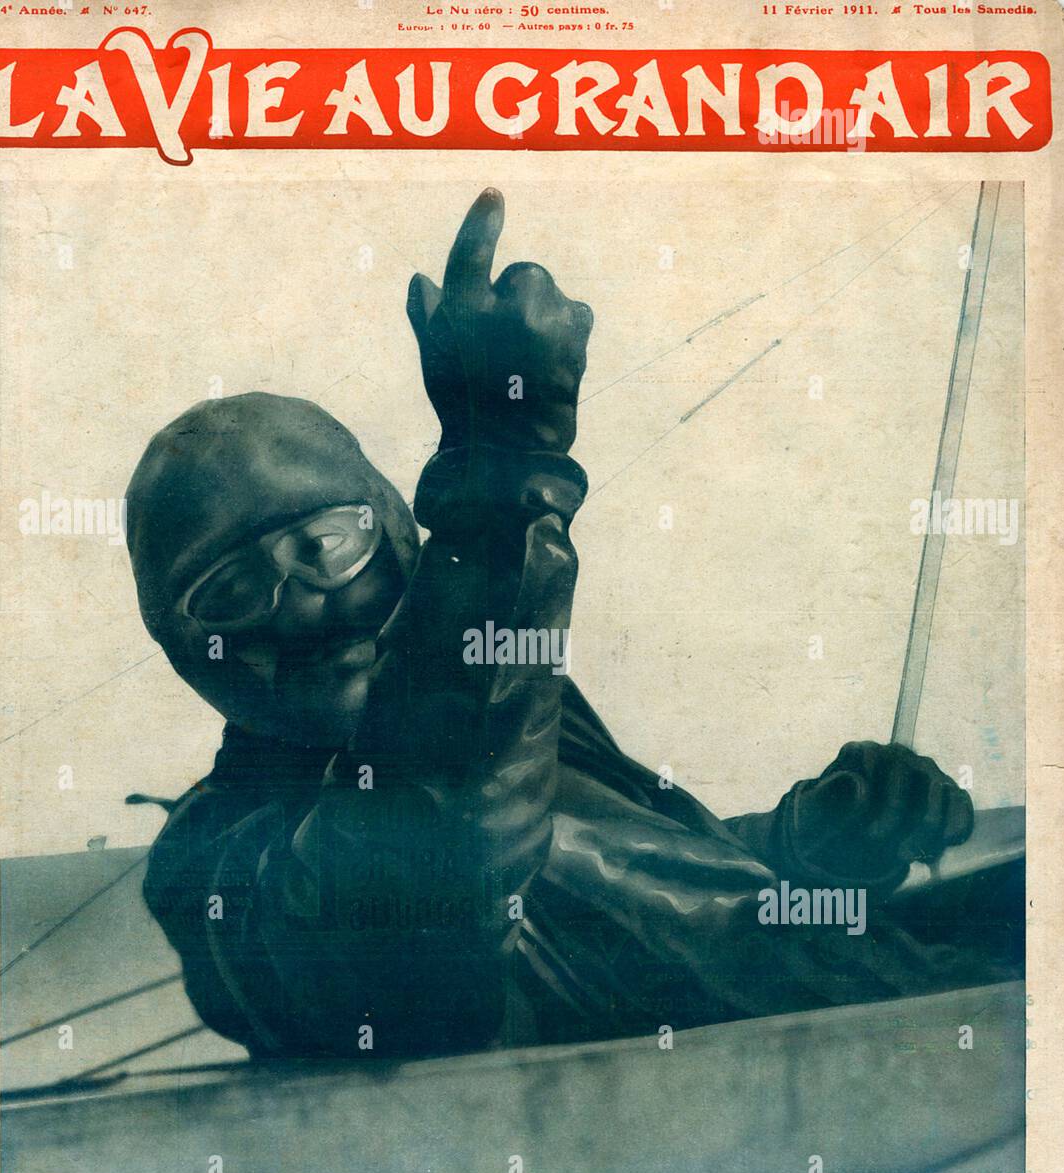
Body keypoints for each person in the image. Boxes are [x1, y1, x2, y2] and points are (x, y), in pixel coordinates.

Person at [127, 189, 1016, 1059]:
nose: (302, 604)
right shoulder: (213, 868)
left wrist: (801, 851)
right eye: (230, 591)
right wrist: (497, 489)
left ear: (396, 533)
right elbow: (435, 875)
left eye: (325, 543)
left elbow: (603, 888)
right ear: (183, 648)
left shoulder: (483, 711)